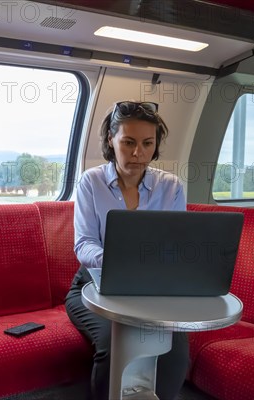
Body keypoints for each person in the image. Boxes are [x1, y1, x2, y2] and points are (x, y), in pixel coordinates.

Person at [65, 101, 189, 400]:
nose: (138, 153)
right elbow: (84, 245)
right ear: (111, 139)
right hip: (95, 285)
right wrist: (123, 262)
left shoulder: (171, 187)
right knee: (114, 345)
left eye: (148, 143)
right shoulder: (90, 182)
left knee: (174, 351)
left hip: (151, 289)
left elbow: (177, 246)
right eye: (128, 142)